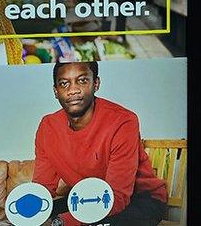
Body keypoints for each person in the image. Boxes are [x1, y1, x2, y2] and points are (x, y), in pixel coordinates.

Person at [35, 61, 168, 226]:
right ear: (56, 91)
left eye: (82, 80)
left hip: (139, 199)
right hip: (86, 198)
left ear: (96, 84)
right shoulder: (48, 126)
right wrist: (27, 216)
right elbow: (42, 188)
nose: (73, 90)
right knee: (37, 216)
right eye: (64, 83)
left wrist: (62, 222)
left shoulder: (123, 121)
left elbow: (118, 196)